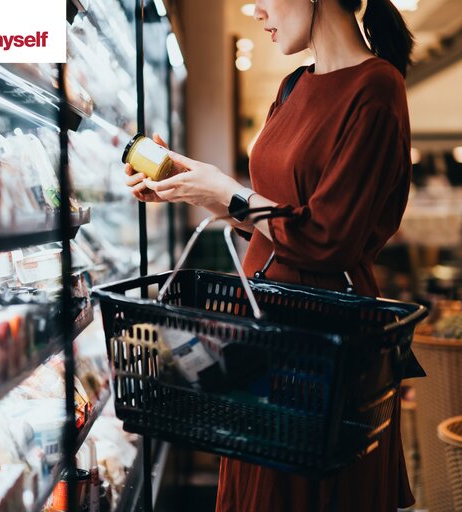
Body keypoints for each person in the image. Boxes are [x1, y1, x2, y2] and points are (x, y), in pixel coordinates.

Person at [125, 0, 416, 509]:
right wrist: (200, 189)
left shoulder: (376, 87)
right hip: (264, 334)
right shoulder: (292, 86)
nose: (255, 9)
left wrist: (229, 191)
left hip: (321, 346)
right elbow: (280, 223)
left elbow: (327, 239)